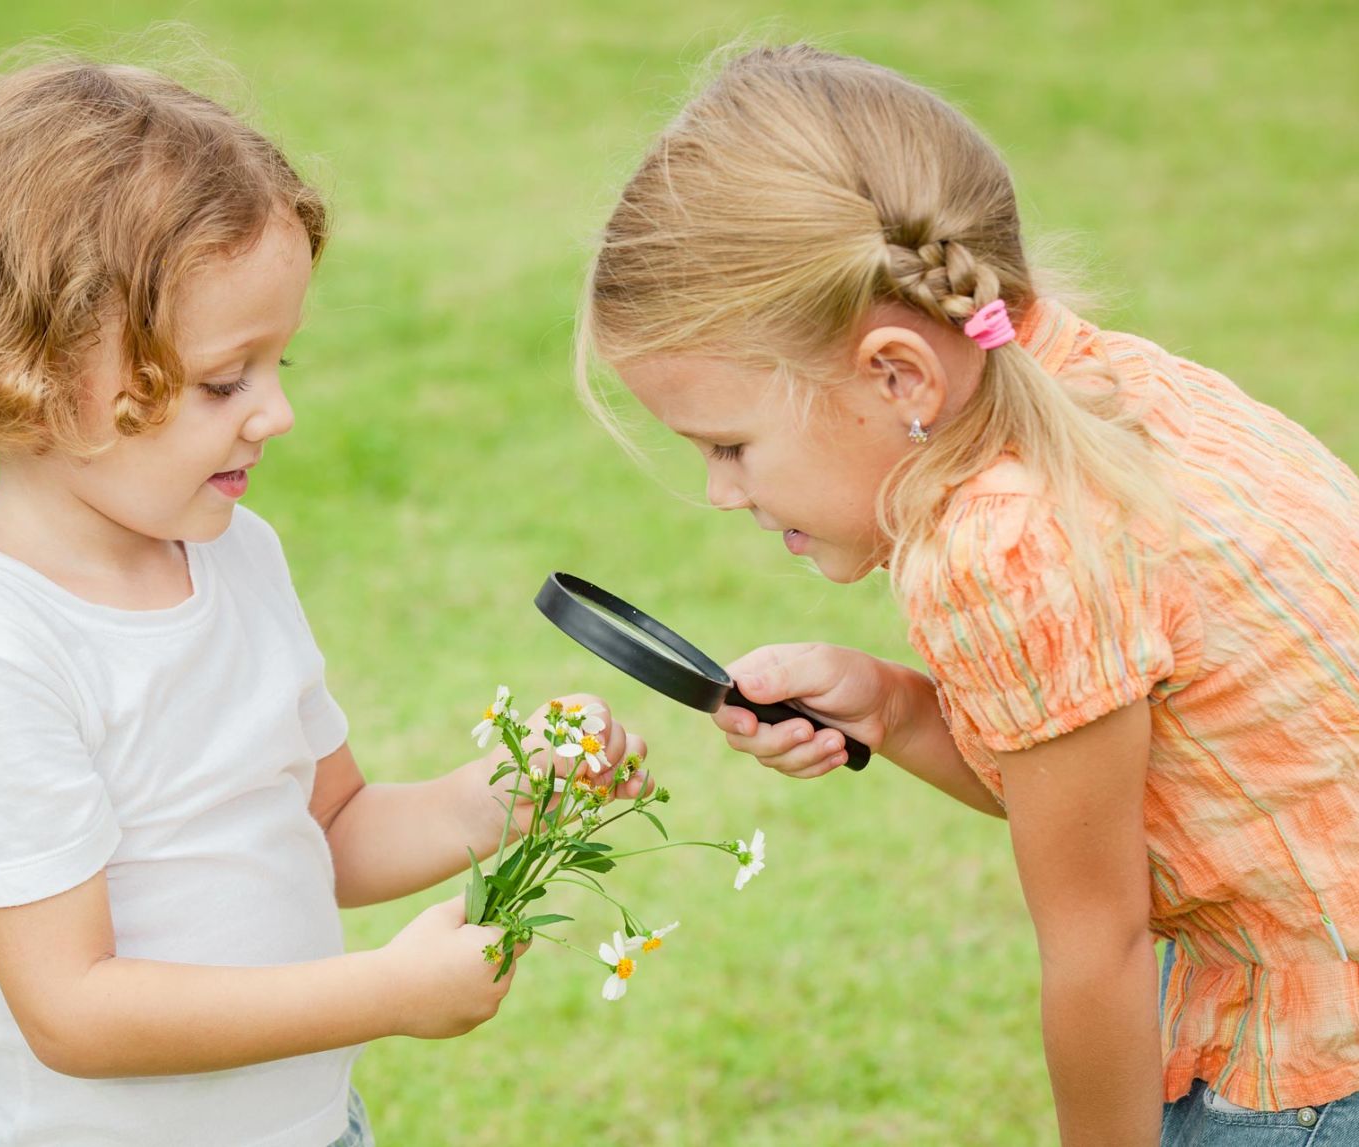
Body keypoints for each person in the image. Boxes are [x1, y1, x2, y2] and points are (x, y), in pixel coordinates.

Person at [0, 53, 647, 1147]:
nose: (274, 415)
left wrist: (501, 797)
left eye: (278, 363)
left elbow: (328, 827)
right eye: (223, 382)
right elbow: (74, 1009)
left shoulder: (236, 555)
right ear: (30, 368)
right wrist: (383, 995)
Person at [575, 42, 1358, 1146]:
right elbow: (1113, 783)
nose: (718, 492)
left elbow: (1099, 940)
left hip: (1317, 1062)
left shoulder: (1001, 544)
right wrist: (894, 708)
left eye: (730, 444)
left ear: (898, 374)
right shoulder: (1106, 384)